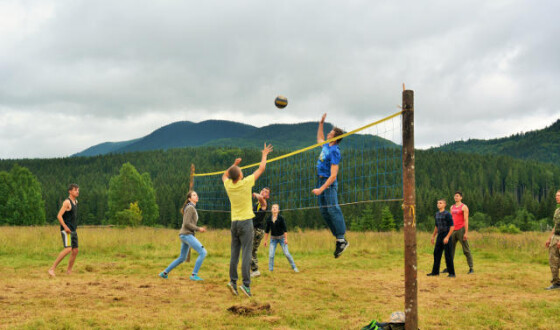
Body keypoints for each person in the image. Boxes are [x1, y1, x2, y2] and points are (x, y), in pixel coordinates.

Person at [222, 143, 273, 297]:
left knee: (234, 254)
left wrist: (233, 165)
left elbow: (224, 176)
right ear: (240, 176)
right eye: (241, 171)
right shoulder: (245, 183)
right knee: (246, 254)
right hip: (245, 223)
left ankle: (232, 282)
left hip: (234, 223)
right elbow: (261, 169)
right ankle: (245, 285)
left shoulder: (229, 185)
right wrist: (264, 154)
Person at [312, 113, 348, 258]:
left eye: (330, 132)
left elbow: (333, 175)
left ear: (335, 137)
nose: (328, 133)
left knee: (333, 209)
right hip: (321, 181)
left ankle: (341, 239)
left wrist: (321, 189)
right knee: (324, 212)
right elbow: (319, 138)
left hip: (328, 183)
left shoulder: (335, 151)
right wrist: (321, 123)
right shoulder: (327, 145)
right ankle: (339, 239)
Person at [159, 191, 207, 281]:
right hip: (187, 235)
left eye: (196, 194)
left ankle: (164, 273)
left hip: (184, 235)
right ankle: (194, 275)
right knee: (203, 252)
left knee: (182, 258)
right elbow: (186, 223)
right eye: (194, 195)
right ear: (189, 198)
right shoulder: (190, 208)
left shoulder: (191, 207)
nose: (196, 196)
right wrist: (198, 228)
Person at [48, 184, 80, 277]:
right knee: (68, 249)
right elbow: (59, 216)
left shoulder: (76, 202)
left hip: (73, 229)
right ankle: (52, 269)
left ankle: (69, 271)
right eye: (75, 190)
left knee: (75, 250)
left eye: (78, 190)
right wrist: (65, 227)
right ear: (70, 191)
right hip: (67, 230)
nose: (77, 191)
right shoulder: (67, 202)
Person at [444, 191, 474, 274]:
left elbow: (466, 220)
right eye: (455, 196)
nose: (455, 197)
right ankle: (448, 267)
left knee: (466, 249)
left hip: (461, 229)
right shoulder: (452, 207)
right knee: (450, 250)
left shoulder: (464, 207)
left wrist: (466, 232)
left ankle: (471, 268)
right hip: (453, 230)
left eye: (457, 196)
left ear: (461, 197)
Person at [263, 204, 298, 273]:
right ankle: (271, 270)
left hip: (282, 238)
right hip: (273, 239)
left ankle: (294, 267)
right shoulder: (269, 219)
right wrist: (265, 240)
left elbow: (285, 229)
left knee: (287, 253)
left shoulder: (281, 218)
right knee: (271, 255)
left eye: (276, 208)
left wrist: (286, 239)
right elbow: (267, 231)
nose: (274, 208)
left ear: (278, 210)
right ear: (271, 210)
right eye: (273, 207)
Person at [427, 199, 455, 277]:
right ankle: (435, 272)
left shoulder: (447, 214)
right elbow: (436, 226)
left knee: (448, 254)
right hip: (440, 235)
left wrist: (447, 237)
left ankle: (451, 273)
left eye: (440, 203)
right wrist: (433, 236)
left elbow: (452, 227)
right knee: (436, 253)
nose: (438, 204)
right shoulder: (436, 214)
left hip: (447, 234)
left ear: (444, 205)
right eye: (437, 203)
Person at [250, 187, 270, 278]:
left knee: (250, 250)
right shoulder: (256, 204)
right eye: (262, 190)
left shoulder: (264, 203)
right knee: (251, 251)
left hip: (258, 230)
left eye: (266, 192)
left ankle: (255, 270)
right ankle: (253, 270)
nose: (263, 192)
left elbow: (261, 198)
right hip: (253, 229)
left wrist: (254, 194)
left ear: (268, 196)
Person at [544, 190, 560, 290]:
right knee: (553, 260)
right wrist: (549, 238)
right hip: (555, 237)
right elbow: (555, 226)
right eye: (556, 196)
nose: (556, 197)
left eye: (559, 195)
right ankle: (556, 283)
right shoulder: (557, 211)